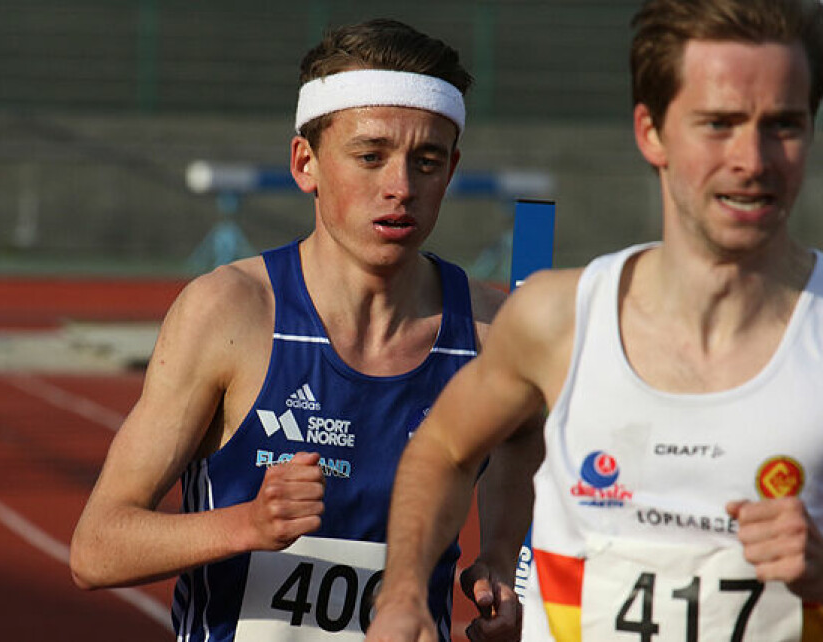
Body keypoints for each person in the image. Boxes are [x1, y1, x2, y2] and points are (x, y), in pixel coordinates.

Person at [366, 0, 823, 640]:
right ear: (651, 132)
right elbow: (441, 450)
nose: (753, 158)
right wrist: (405, 595)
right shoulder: (560, 319)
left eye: (784, 124)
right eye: (718, 123)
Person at [69, 18, 504, 641]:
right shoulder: (231, 312)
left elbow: (532, 518)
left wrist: (507, 577)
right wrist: (248, 524)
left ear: (451, 169)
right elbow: (97, 547)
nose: (400, 187)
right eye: (370, 156)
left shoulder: (493, 332)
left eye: (427, 161)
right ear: (306, 162)